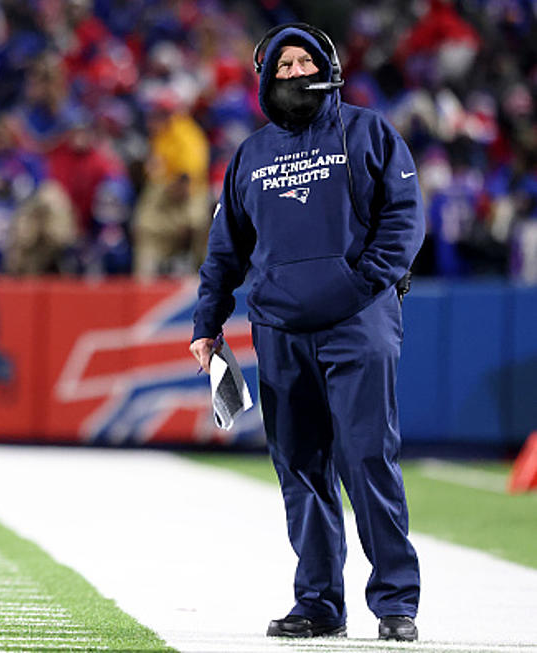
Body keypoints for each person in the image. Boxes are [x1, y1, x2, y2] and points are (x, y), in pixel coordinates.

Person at [189, 24, 423, 642]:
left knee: (367, 459)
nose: (295, 71)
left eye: (305, 60)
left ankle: (397, 602)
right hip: (279, 330)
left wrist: (359, 284)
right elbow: (225, 250)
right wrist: (206, 323)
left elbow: (404, 220)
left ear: (329, 66)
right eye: (283, 63)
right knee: (300, 466)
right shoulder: (249, 155)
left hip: (358, 322)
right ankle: (319, 601)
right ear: (265, 78)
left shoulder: (370, 132)